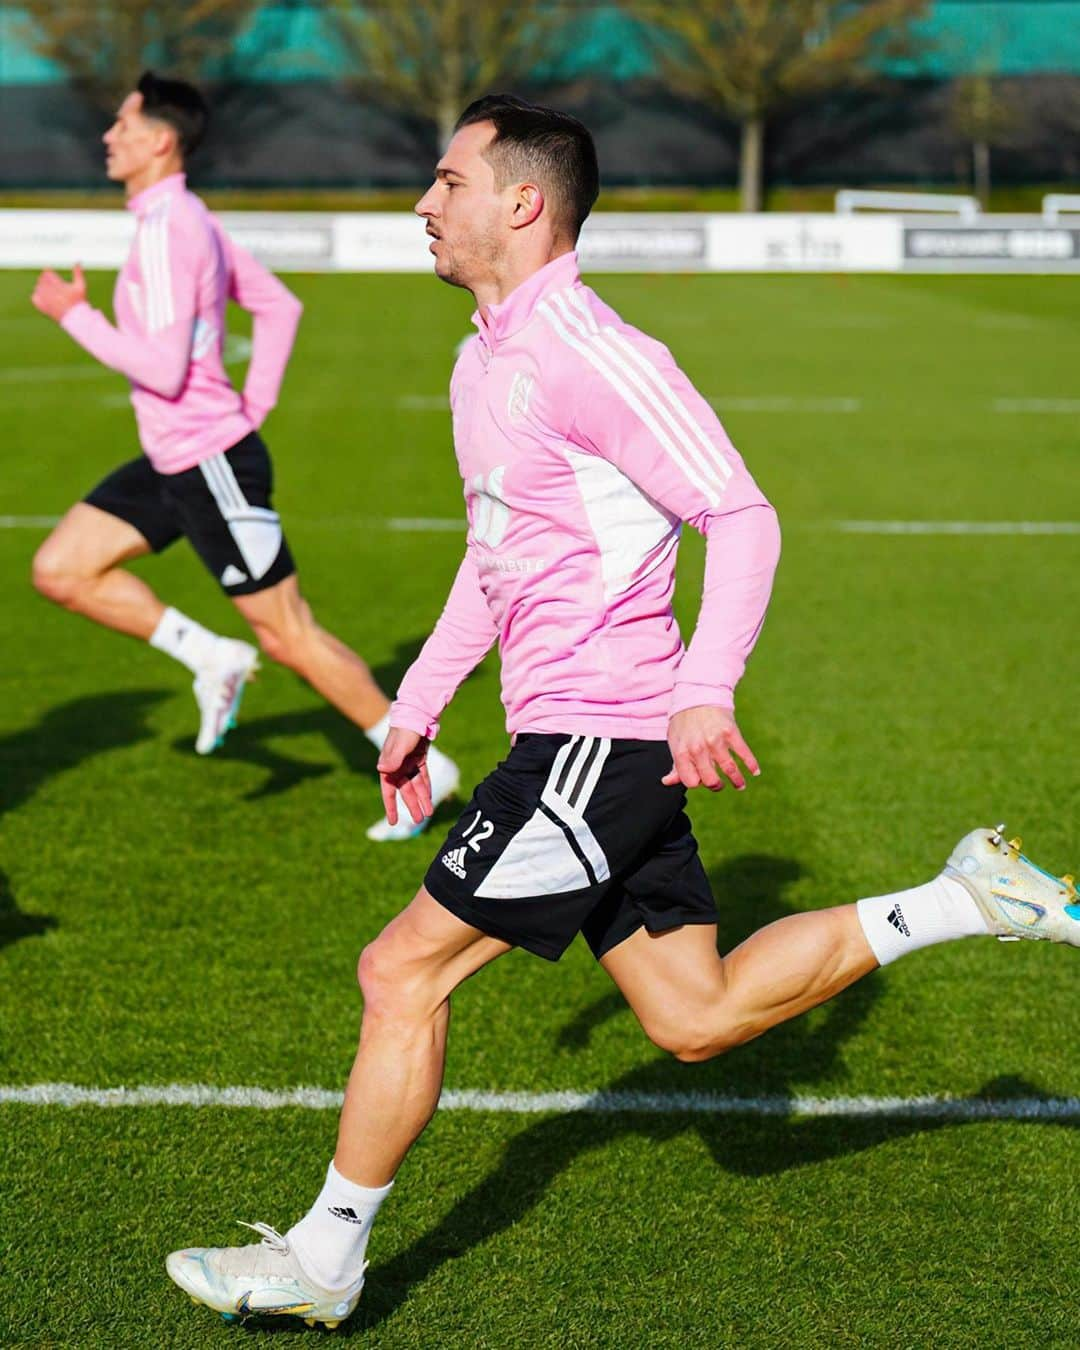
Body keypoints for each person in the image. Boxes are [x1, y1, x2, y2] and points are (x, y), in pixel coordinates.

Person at [165, 95, 1079, 1329]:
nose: (423, 205)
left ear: (522, 203)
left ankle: (326, 1261)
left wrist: (705, 688)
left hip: (603, 737)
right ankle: (963, 897)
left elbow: (740, 515)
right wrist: (418, 701)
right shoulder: (481, 355)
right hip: (585, 742)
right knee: (693, 1018)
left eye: (447, 183)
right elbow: (496, 550)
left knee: (401, 973)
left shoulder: (592, 352)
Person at [29, 70, 458, 842]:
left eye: (122, 125)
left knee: (289, 634)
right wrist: (251, 404)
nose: (108, 137)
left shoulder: (169, 232)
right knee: (61, 568)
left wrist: (75, 315)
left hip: (208, 463)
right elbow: (277, 305)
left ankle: (423, 767)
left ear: (160, 139)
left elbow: (161, 369)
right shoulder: (185, 215)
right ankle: (209, 657)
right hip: (176, 458)